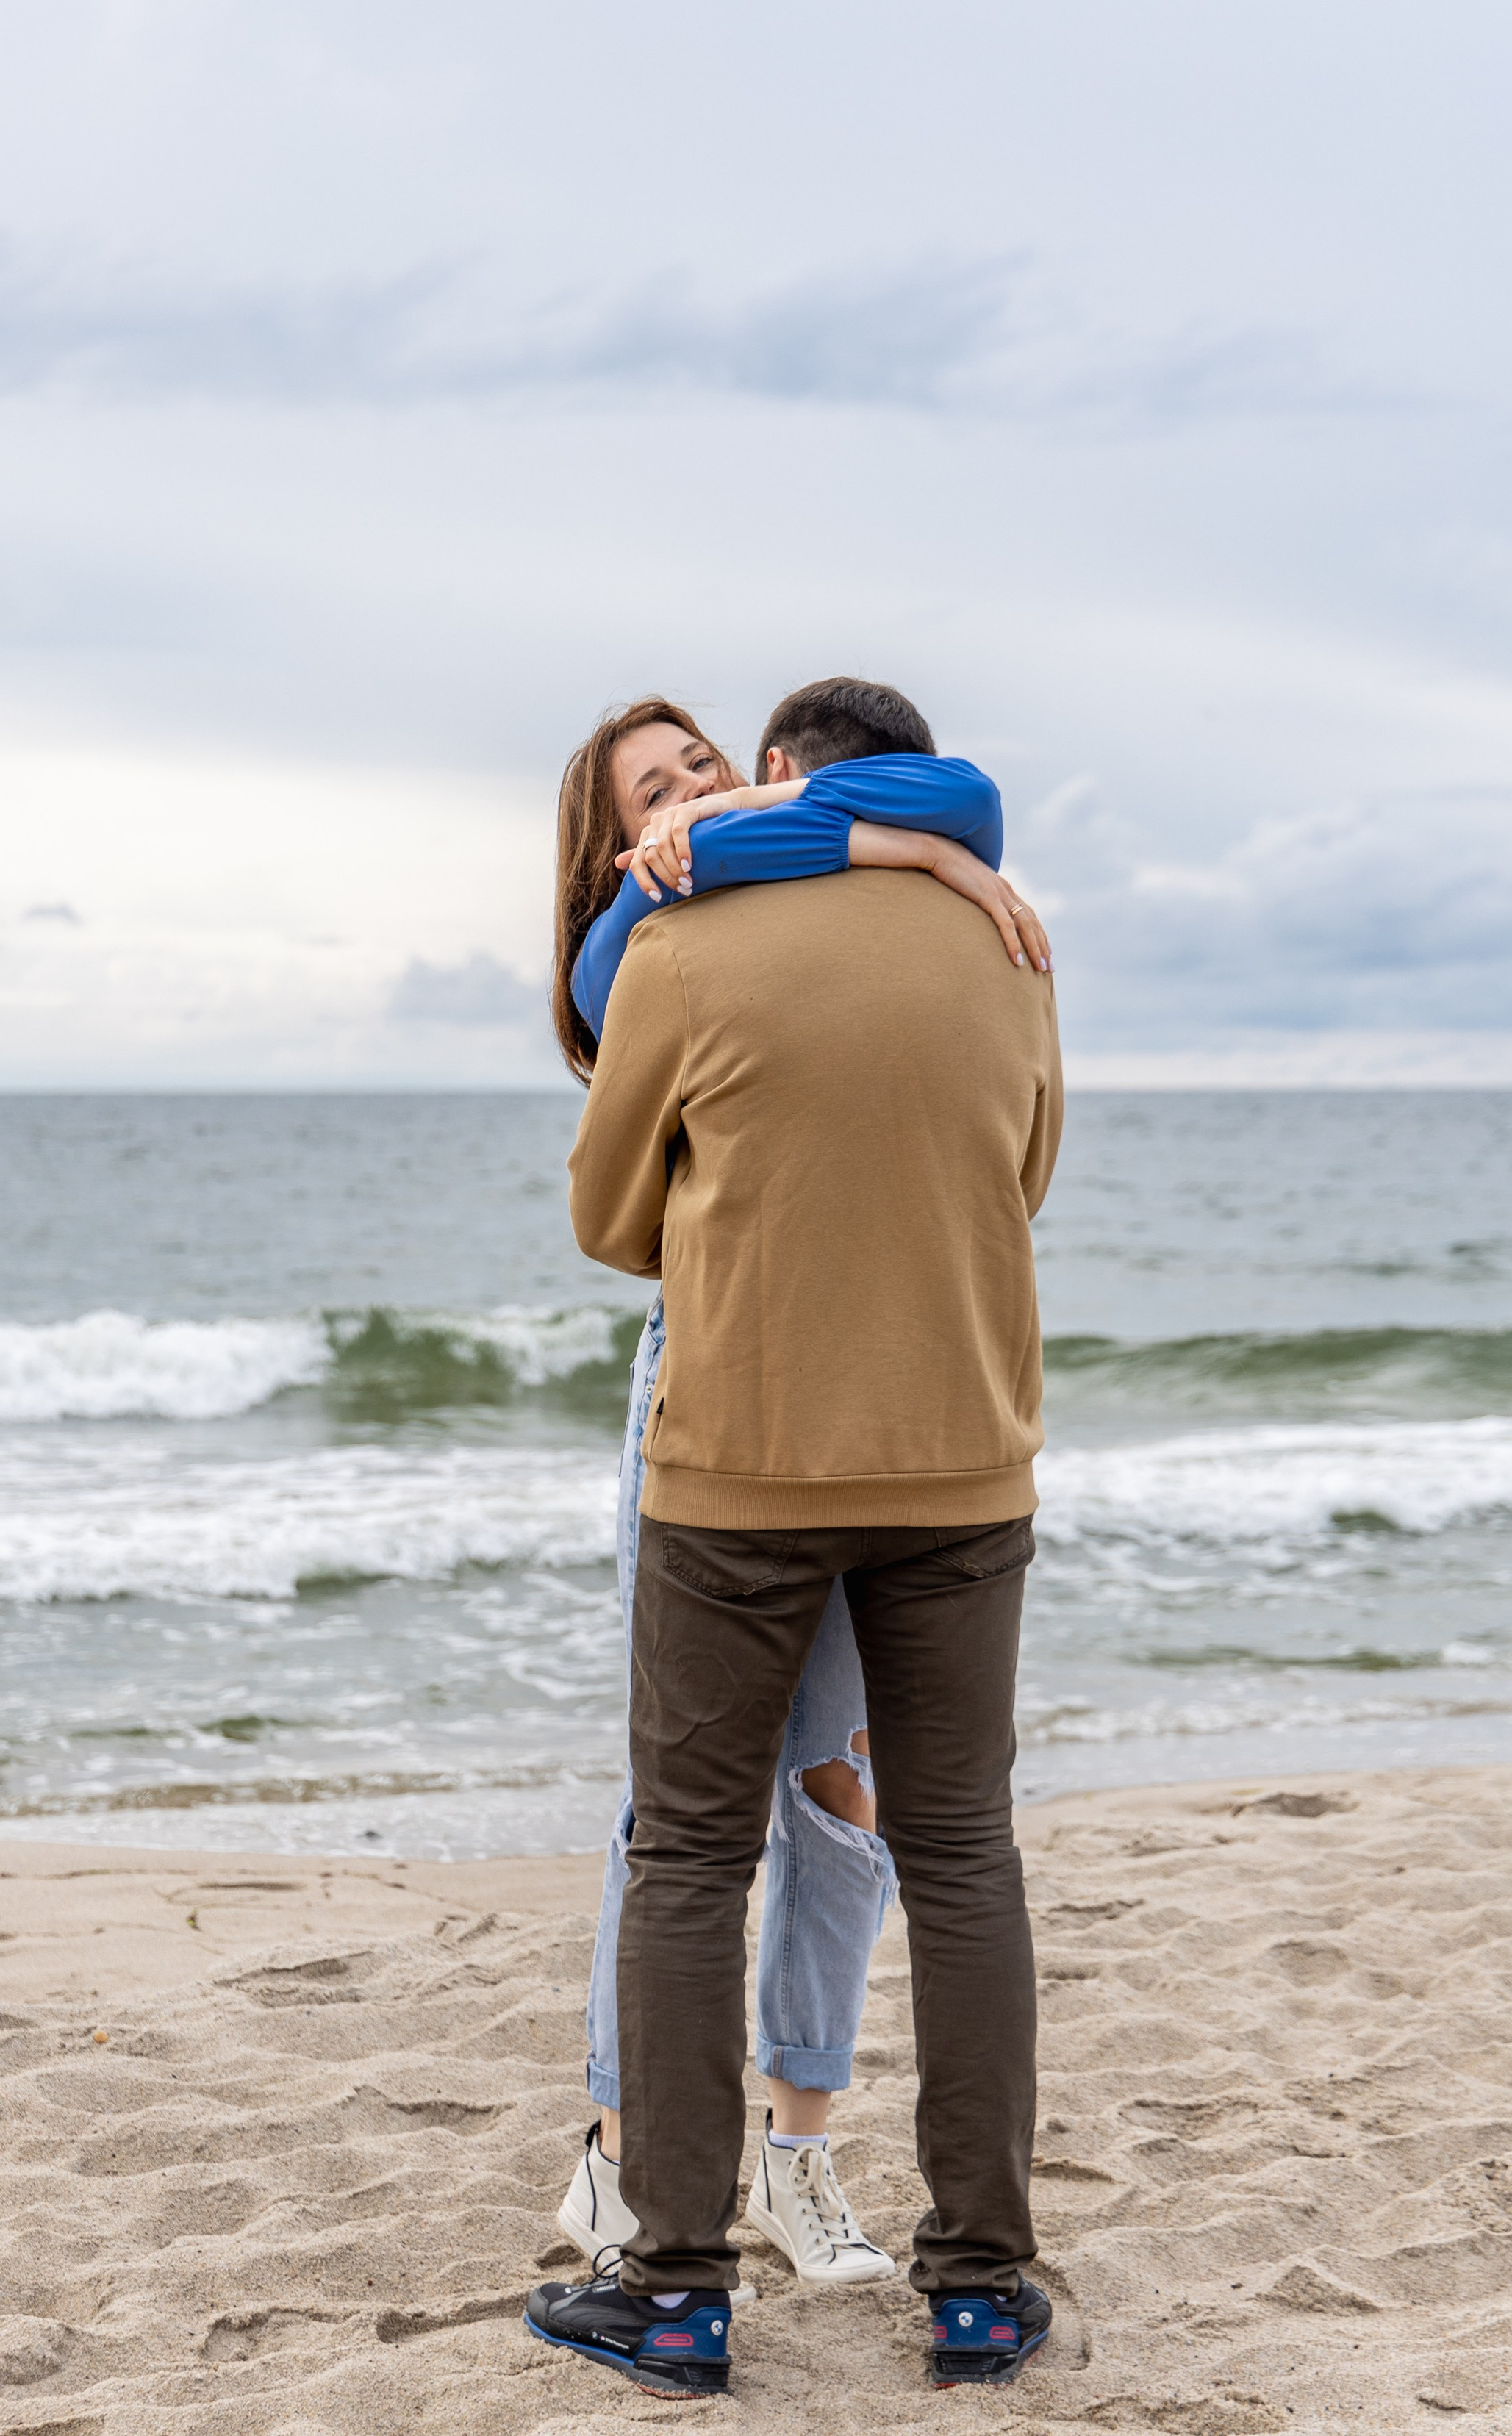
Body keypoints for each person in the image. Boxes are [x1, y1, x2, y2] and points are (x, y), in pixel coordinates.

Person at [526, 675, 1061, 2401]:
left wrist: (738, 1211)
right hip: (956, 1462)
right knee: (961, 1854)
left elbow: (609, 1213)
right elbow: (1021, 1171)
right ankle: (976, 2290)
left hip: (737, 1466)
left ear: (777, 778)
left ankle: (676, 2296)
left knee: (690, 1854)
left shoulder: (681, 943)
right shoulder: (1001, 938)